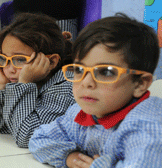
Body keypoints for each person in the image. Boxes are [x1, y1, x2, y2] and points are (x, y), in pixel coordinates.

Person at [29, 14, 162, 167]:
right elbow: (39, 139)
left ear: (140, 84)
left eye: (105, 72)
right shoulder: (80, 112)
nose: (86, 82)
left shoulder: (147, 129)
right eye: (79, 69)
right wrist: (70, 157)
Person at [0, 13, 75, 148]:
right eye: (4, 59)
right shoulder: (26, 81)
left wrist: (24, 84)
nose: (10, 69)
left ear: (52, 61)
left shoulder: (65, 87)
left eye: (20, 60)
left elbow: (27, 137)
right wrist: (1, 84)